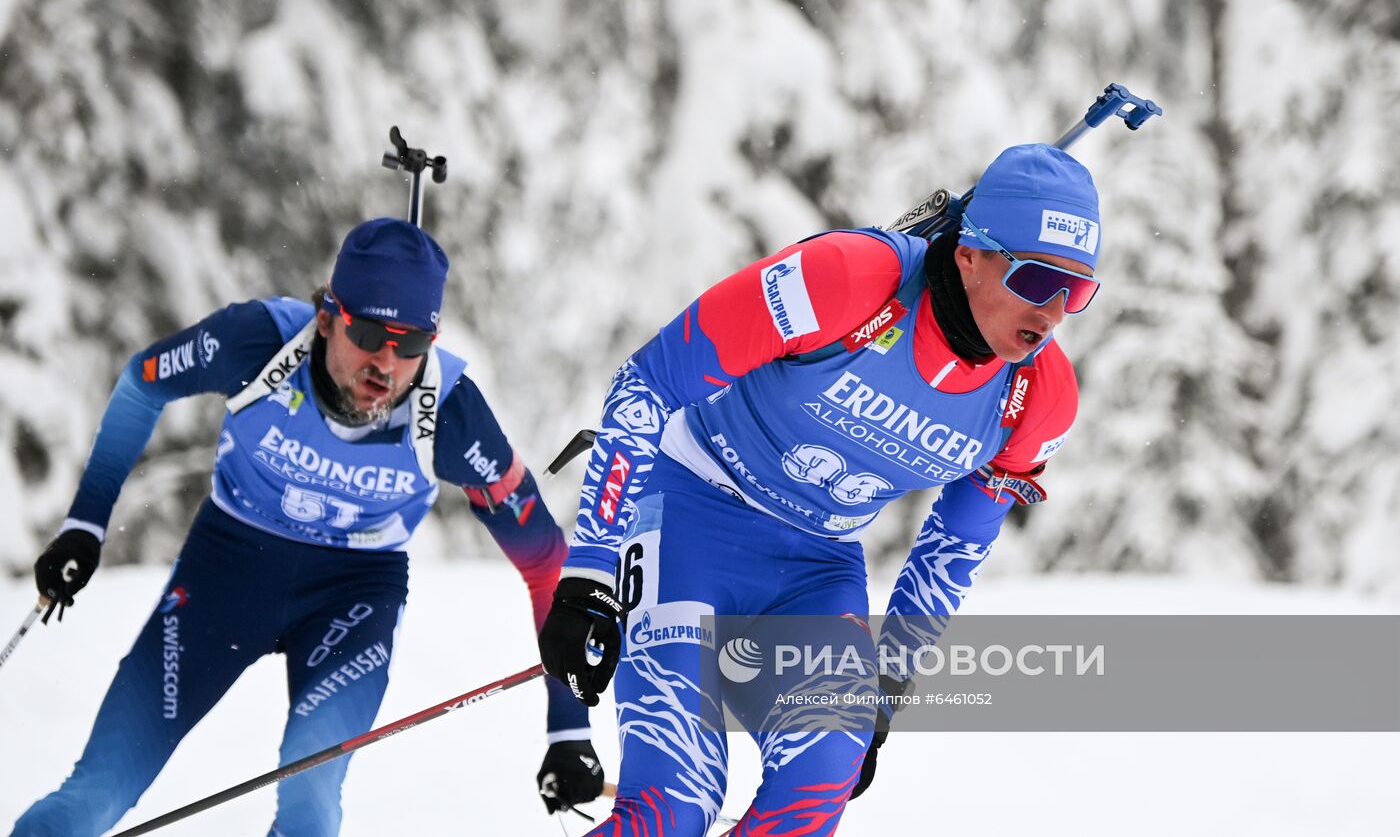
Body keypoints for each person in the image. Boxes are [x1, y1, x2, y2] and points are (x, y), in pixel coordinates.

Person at [538, 144, 1103, 835]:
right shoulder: (848, 279)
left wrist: (886, 694)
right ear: (969, 255)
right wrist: (590, 571)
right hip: (688, 511)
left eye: (1076, 292)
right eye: (1040, 280)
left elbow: (951, 553)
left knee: (816, 786)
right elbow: (648, 382)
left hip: (814, 568)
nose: (1054, 314)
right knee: (675, 805)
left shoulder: (1036, 397)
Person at [14, 218, 603, 836]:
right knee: (93, 796)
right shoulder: (259, 343)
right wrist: (86, 523)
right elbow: (142, 383)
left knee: (309, 806)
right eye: (370, 332)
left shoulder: (451, 414)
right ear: (327, 316)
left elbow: (545, 562)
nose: (386, 362)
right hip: (226, 575)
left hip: (352, 601)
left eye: (410, 343)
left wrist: (569, 727)